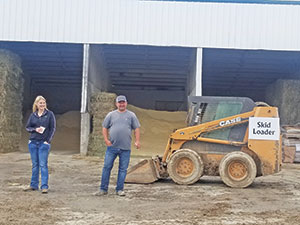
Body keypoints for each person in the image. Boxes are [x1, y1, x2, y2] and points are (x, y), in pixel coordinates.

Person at [95, 95, 140, 197]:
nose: (121, 104)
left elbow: (136, 128)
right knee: (107, 167)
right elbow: (104, 127)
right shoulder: (111, 115)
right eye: (119, 102)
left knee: (123, 169)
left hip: (125, 148)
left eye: (123, 102)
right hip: (112, 147)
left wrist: (137, 141)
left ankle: (119, 189)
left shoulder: (131, 115)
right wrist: (106, 140)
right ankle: (103, 189)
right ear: (116, 104)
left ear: (126, 103)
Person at [24, 95, 56, 194]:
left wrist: (48, 141)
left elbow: (52, 128)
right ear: (36, 104)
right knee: (35, 165)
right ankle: (33, 185)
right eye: (40, 103)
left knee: (43, 165)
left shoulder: (50, 114)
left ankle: (44, 186)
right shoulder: (33, 115)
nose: (42, 104)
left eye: (43, 103)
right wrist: (35, 129)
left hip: (43, 143)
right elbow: (28, 127)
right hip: (33, 142)